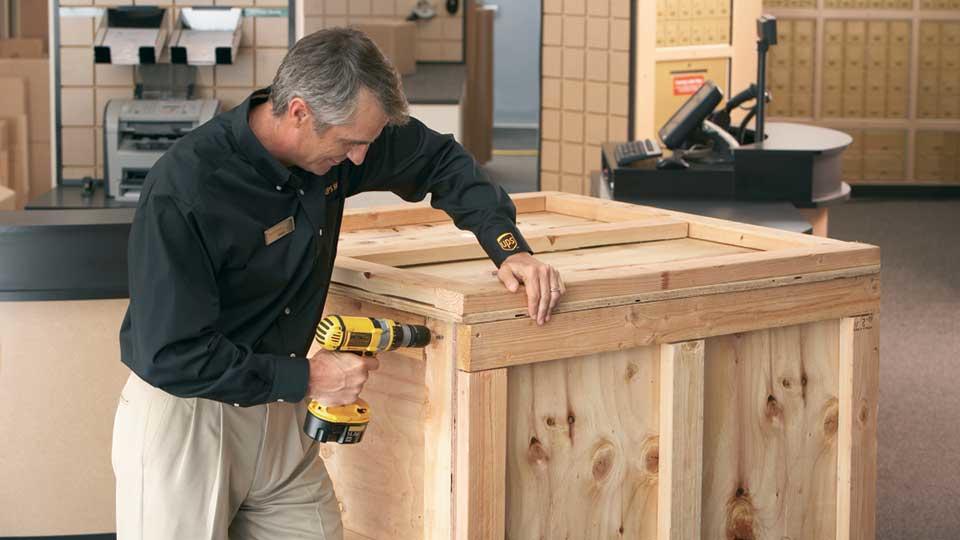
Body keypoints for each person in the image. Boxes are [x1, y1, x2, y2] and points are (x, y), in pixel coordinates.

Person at [112, 28, 564, 540]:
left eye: (366, 144)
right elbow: (170, 354)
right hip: (190, 420)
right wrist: (307, 379)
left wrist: (510, 248)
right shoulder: (188, 188)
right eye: (350, 143)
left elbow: (439, 159)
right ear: (300, 112)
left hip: (280, 415)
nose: (358, 161)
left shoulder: (339, 143)